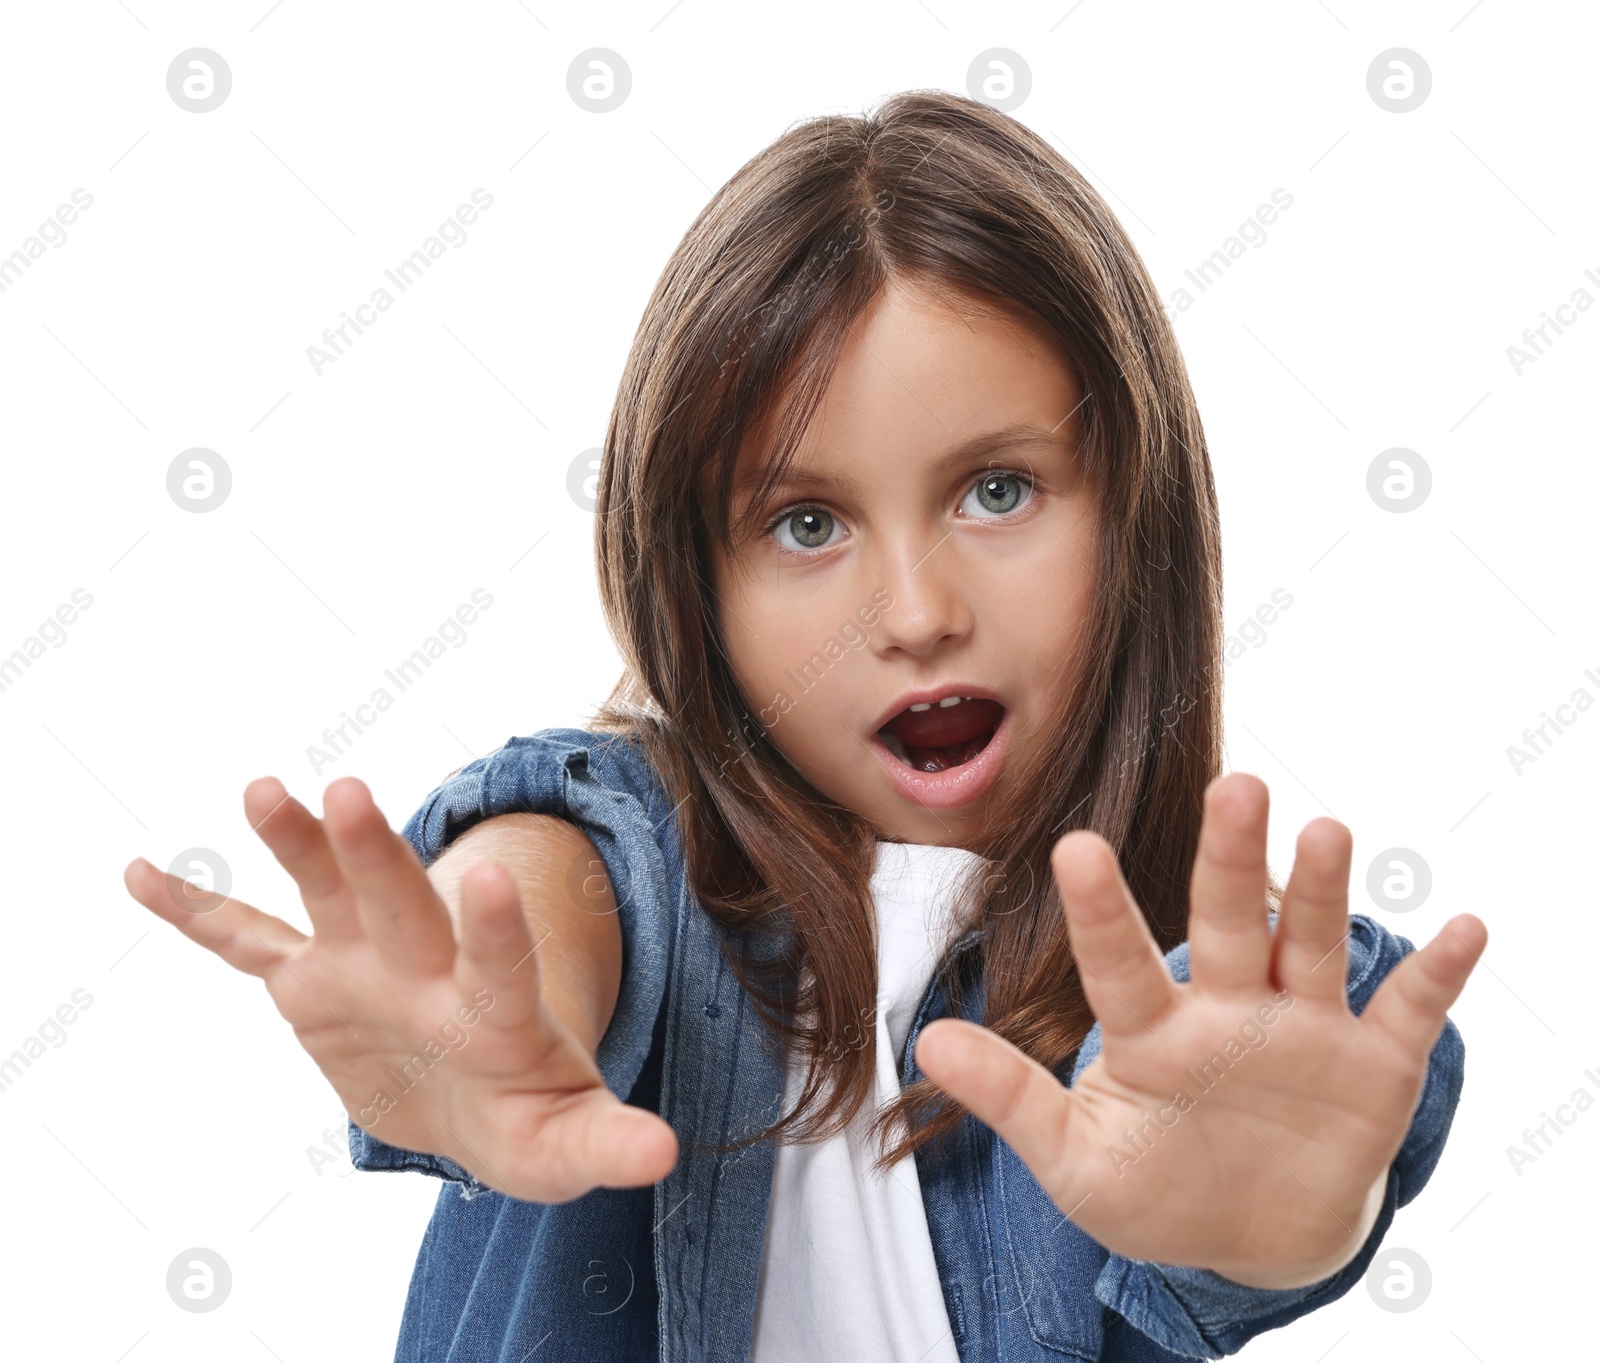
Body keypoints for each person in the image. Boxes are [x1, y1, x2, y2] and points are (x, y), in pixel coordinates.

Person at [122, 89, 1486, 1362]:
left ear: (1139, 510)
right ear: (693, 587)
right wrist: (497, 1012)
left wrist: (1281, 1218)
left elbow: (1319, 1096)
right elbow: (549, 870)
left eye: (998, 491)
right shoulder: (639, 842)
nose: (914, 612)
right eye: (807, 524)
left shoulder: (1229, 998)